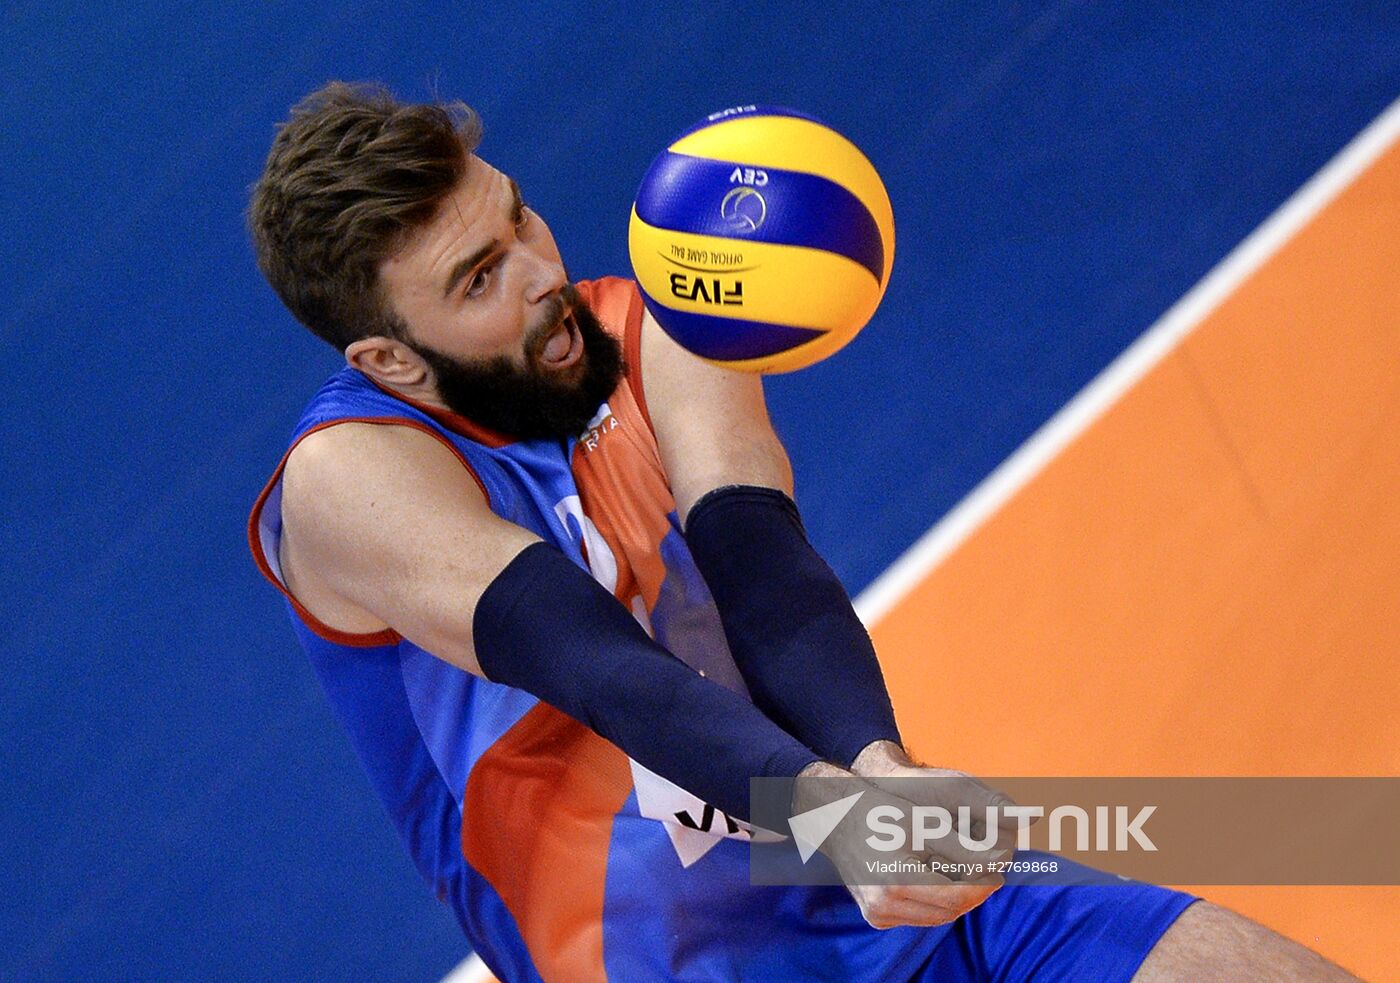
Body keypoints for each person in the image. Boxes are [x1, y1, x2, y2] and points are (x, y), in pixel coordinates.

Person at [247, 82, 1358, 981]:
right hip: (661, 957)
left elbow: (760, 563)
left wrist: (875, 774)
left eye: (518, 215)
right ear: (389, 359)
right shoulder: (350, 482)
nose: (544, 272)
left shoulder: (660, 321)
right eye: (481, 277)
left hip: (867, 871)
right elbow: (595, 664)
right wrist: (838, 813)